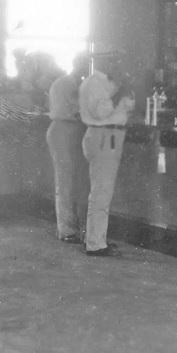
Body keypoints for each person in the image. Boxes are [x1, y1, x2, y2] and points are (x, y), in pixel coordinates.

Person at [79, 45, 134, 257]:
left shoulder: (110, 82)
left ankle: (97, 238)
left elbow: (128, 106)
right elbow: (102, 111)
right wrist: (120, 92)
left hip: (111, 136)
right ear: (102, 61)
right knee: (101, 191)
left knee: (103, 190)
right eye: (114, 60)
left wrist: (123, 92)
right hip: (103, 136)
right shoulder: (94, 83)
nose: (117, 64)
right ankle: (94, 244)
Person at [45, 52, 91, 244]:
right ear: (76, 64)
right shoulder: (66, 84)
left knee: (74, 181)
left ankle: (74, 227)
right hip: (63, 131)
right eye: (83, 64)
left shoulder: (73, 83)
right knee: (65, 181)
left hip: (72, 132)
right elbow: (77, 110)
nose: (85, 69)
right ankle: (66, 230)